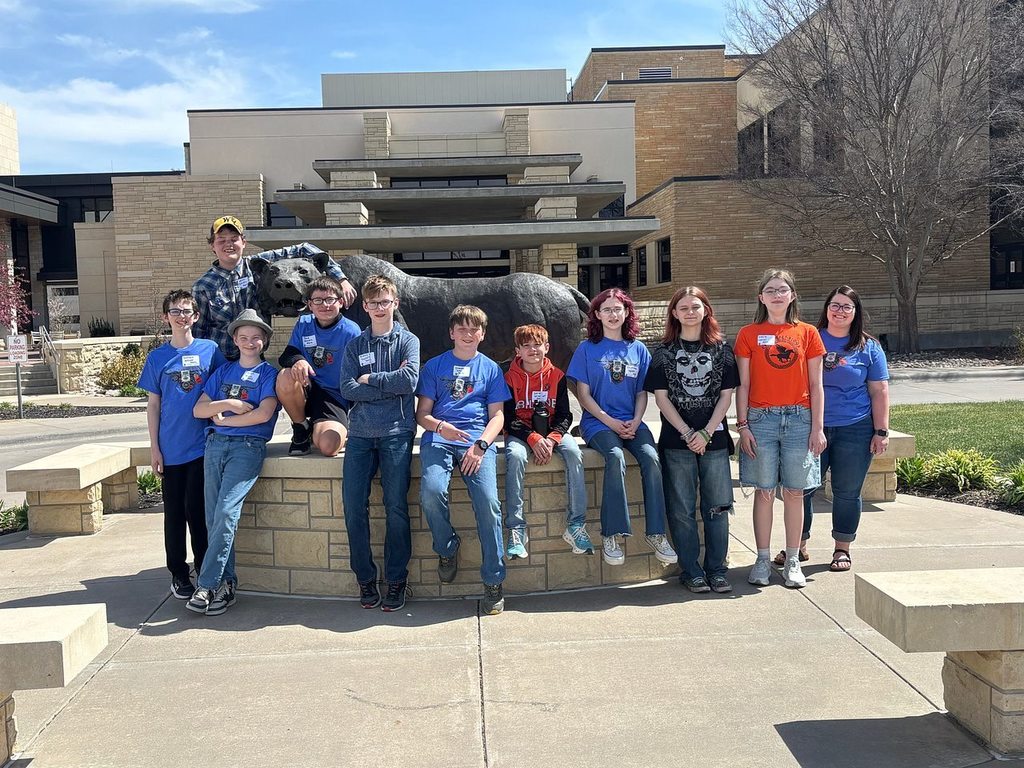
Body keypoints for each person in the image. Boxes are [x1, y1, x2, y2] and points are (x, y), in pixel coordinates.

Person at [567, 288, 677, 568]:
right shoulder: (586, 349)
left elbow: (642, 392)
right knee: (615, 457)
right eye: (606, 309)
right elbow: (583, 394)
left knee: (652, 459)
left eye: (618, 309)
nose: (613, 314)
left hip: (633, 421)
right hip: (598, 423)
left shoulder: (638, 348)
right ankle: (611, 534)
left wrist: (637, 421)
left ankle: (656, 533)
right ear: (597, 315)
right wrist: (610, 422)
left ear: (627, 312)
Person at [783, 285, 889, 573]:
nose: (839, 311)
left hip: (855, 427)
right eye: (835, 305)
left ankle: (842, 547)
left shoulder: (869, 347)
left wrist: (881, 431)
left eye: (846, 307)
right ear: (826, 308)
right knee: (800, 488)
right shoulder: (808, 338)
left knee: (846, 491)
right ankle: (798, 545)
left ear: (856, 313)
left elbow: (879, 390)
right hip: (809, 425)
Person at [415, 305, 511, 616]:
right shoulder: (434, 366)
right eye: (462, 329)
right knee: (431, 493)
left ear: (482, 334)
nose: (468, 335)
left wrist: (481, 446)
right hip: (440, 437)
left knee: (488, 504)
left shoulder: (491, 369)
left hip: (477, 440)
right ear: (451, 333)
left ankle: (494, 581)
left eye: (474, 329)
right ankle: (447, 547)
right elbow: (422, 414)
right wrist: (441, 426)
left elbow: (497, 416)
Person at [734, 268, 826, 589]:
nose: (776, 295)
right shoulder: (748, 334)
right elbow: (743, 384)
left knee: (795, 491)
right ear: (761, 297)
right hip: (762, 419)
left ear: (792, 295)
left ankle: (792, 560)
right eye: (770, 290)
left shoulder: (808, 333)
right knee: (764, 490)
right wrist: (743, 424)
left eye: (782, 289)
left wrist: (818, 427)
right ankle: (762, 558)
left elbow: (816, 385)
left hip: (800, 419)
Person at [187, 309, 280, 616]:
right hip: (215, 446)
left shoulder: (270, 375)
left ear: (264, 341)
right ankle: (226, 585)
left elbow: (264, 414)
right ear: (236, 340)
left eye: (256, 337)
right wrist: (233, 404)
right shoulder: (223, 373)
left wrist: (225, 418)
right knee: (213, 517)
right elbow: (199, 410)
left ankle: (207, 584)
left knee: (227, 512)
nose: (250, 342)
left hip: (247, 447)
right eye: (244, 337)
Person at [647, 287, 738, 594]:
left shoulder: (722, 350)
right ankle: (692, 570)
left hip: (713, 440)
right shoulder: (662, 352)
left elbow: (726, 398)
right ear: (674, 313)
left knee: (717, 507)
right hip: (677, 441)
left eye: (695, 306)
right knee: (682, 510)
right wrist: (687, 433)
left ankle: (717, 568)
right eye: (683, 307)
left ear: (705, 310)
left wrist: (706, 432)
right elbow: (661, 399)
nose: (689, 312)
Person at [339, 274, 420, 611]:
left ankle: (397, 580)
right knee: (353, 508)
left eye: (385, 301)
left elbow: (409, 380)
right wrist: (389, 386)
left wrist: (370, 379)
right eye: (373, 303)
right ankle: (366, 579)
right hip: (359, 435)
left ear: (394, 303)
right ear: (365, 306)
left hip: (396, 433)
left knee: (396, 509)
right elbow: (346, 388)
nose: (379, 308)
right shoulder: (356, 345)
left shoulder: (407, 342)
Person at [138, 289, 226, 600]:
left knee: (199, 511)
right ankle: (178, 572)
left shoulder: (210, 350)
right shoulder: (157, 357)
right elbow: (152, 405)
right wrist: (155, 448)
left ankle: (203, 567)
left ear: (196, 316)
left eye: (187, 311)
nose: (181, 316)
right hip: (171, 447)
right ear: (166, 318)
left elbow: (220, 390)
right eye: (175, 311)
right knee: (174, 513)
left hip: (203, 446)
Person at [192, 215, 356, 360]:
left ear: (243, 242)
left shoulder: (255, 266)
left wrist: (340, 278)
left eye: (234, 239)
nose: (229, 244)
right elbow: (198, 332)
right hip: (222, 360)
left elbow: (304, 248)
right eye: (221, 240)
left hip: (256, 355)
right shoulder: (203, 286)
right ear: (212, 245)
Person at [503, 324, 592, 559]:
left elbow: (565, 415)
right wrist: (533, 438)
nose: (533, 350)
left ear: (547, 347)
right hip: (521, 433)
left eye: (537, 344)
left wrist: (551, 440)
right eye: (526, 346)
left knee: (573, 452)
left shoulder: (557, 376)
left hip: (553, 432)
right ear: (518, 351)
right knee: (515, 455)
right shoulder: (508, 377)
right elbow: (508, 417)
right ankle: (516, 528)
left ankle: (576, 525)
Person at [276, 277, 360, 456]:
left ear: (341, 302)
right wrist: (298, 360)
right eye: (318, 300)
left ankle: (319, 428)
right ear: (309, 304)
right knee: (285, 375)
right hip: (306, 389)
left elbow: (359, 371)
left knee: (329, 447)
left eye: (330, 300)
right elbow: (286, 355)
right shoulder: (304, 323)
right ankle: (300, 428)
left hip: (333, 396)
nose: (325, 305)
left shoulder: (351, 331)